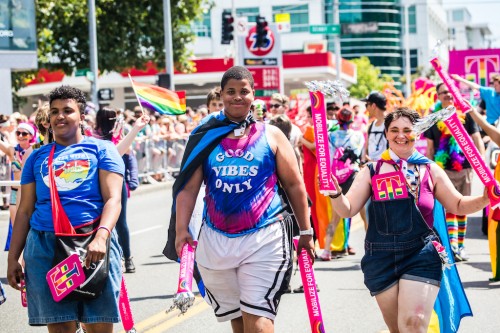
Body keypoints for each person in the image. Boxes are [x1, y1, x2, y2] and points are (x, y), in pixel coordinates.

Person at [168, 66, 314, 333]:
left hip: (265, 237)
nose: (237, 97)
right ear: (221, 94)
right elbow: (188, 189)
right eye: (231, 92)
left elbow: (294, 184)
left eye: (243, 91)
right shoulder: (206, 136)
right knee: (239, 323)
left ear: (253, 95)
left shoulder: (271, 135)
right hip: (216, 241)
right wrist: (181, 231)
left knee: (258, 322)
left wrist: (306, 230)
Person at [326, 107, 489, 332]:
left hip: (421, 254)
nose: (400, 135)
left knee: (413, 324)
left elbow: (458, 204)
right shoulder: (371, 171)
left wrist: (485, 198)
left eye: (407, 130)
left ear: (418, 133)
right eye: (394, 130)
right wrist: (335, 193)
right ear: (385, 134)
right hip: (380, 257)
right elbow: (348, 209)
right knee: (397, 329)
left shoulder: (430, 169)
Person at [7, 85, 124, 332]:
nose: (60, 116)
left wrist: (101, 237)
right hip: (45, 249)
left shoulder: (102, 150)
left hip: (92, 246)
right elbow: (25, 211)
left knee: (97, 325)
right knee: (60, 327)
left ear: (82, 116)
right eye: (54, 111)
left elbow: (113, 199)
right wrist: (12, 259)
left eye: (67, 110)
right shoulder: (36, 158)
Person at [424, 82, 484, 261]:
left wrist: (480, 165)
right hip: (442, 171)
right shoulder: (433, 118)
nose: (448, 96)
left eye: (450, 93)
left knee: (463, 207)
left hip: (464, 168)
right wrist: (428, 170)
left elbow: (476, 139)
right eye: (444, 93)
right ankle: (452, 246)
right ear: (438, 96)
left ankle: (460, 245)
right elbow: (430, 148)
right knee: (449, 206)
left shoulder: (465, 115)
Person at [94, 107, 149, 273]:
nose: (113, 120)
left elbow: (121, 154)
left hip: (116, 183)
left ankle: (127, 257)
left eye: (114, 117)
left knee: (120, 222)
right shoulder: (90, 136)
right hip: (96, 184)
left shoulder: (118, 135)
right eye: (110, 117)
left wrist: (135, 128)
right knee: (100, 222)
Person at [320, 108, 365, 261]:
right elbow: (361, 156)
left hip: (336, 179)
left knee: (335, 218)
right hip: (353, 177)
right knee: (365, 215)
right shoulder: (358, 136)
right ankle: (371, 250)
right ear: (351, 120)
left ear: (338, 120)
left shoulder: (330, 136)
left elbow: (328, 157)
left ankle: (326, 251)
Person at [361, 91, 388, 163]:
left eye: (367, 105)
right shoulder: (371, 125)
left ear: (373, 106)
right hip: (372, 169)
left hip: (386, 170)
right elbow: (366, 149)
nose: (366, 109)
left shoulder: (390, 124)